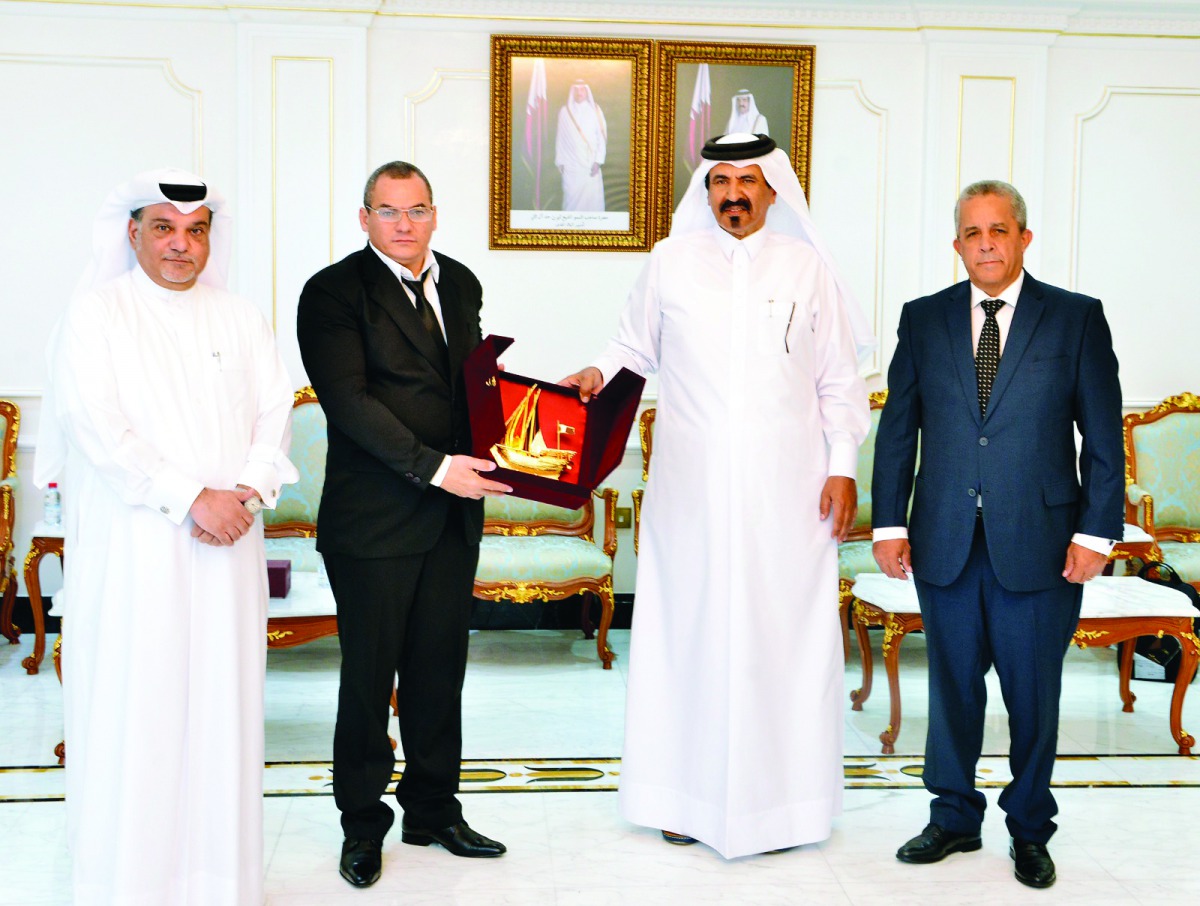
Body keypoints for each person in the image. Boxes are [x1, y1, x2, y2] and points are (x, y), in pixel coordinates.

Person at [563, 133, 875, 858]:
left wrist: (843, 464)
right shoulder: (671, 260)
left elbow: (838, 382)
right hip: (691, 495)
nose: (734, 194)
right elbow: (631, 349)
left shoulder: (806, 269)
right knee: (690, 636)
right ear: (706, 190)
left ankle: (785, 807)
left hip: (789, 497)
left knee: (781, 641)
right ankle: (682, 797)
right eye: (720, 181)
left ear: (773, 189)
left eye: (748, 180)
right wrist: (594, 374)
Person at [36, 168, 298, 905]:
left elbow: (275, 411)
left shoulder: (241, 316)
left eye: (196, 230)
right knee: (137, 709)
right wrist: (191, 500)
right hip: (136, 552)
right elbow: (97, 428)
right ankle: (130, 883)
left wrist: (241, 490)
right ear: (132, 233)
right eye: (164, 228)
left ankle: (219, 881)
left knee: (222, 710)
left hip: (228, 544)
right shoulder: (97, 315)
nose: (181, 246)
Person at [871, 180, 1124, 889]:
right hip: (944, 537)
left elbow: (1103, 437)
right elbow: (900, 430)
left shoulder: (1074, 319)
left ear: (1023, 238)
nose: (986, 242)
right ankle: (953, 815)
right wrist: (890, 522)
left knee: (1033, 692)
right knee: (952, 687)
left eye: (1000, 230)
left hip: (1041, 542)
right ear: (957, 244)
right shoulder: (923, 320)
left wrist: (1097, 534)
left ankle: (1029, 827)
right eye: (973, 232)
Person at [296, 161, 511, 889]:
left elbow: (469, 389)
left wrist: (533, 428)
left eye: (416, 210)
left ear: (434, 214)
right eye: (388, 212)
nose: (404, 224)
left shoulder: (461, 281)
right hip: (374, 522)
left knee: (438, 674)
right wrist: (434, 466)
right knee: (367, 680)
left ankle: (432, 809)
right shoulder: (331, 293)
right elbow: (351, 404)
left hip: (453, 517)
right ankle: (362, 826)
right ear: (364, 218)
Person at [555, 79, 607, 211]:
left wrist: (598, 161)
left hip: (590, 166)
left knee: (592, 203)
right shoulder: (564, 112)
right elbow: (560, 138)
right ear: (572, 91)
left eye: (582, 89)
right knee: (571, 204)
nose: (579, 92)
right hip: (571, 168)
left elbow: (601, 137)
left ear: (587, 91)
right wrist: (560, 161)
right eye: (576, 89)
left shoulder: (595, 110)